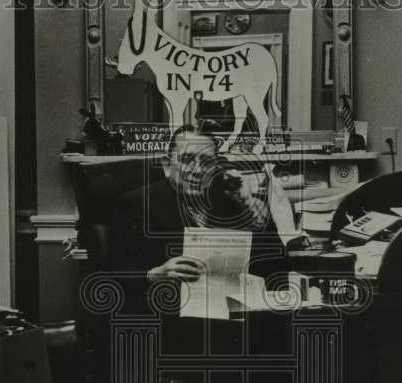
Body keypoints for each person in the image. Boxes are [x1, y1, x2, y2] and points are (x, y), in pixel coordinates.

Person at [107, 125, 288, 300]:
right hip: (169, 314)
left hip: (233, 312)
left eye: (207, 162)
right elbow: (115, 275)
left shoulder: (230, 199)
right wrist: (156, 274)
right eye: (187, 160)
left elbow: (276, 267)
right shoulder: (137, 204)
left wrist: (247, 204)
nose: (198, 170)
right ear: (167, 164)